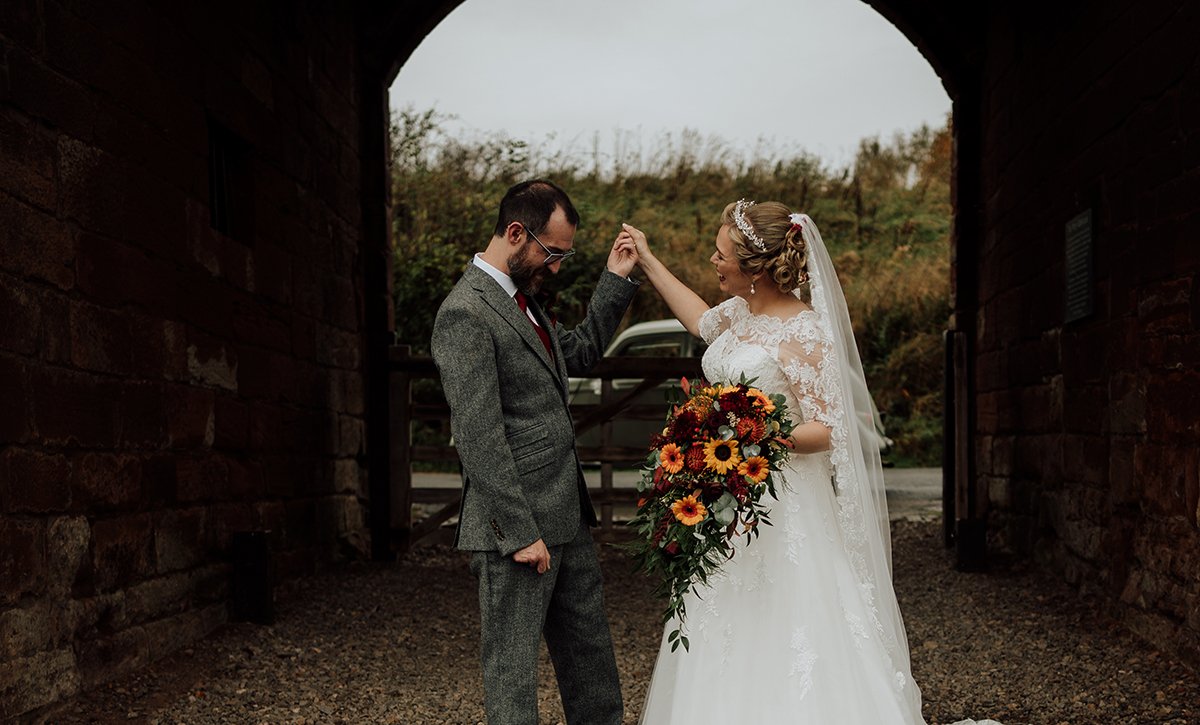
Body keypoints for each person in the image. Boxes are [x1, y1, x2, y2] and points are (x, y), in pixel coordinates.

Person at [620, 202, 1000, 724]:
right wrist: (647, 259)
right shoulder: (740, 313)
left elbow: (829, 428)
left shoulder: (804, 331)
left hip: (785, 503)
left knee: (795, 621)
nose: (713, 260)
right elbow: (700, 319)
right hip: (733, 501)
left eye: (722, 253)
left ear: (755, 268)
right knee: (724, 619)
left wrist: (754, 435)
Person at [431, 179, 639, 725]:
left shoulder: (524, 304)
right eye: (553, 253)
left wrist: (614, 279)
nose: (557, 266)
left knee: (591, 662)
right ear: (516, 233)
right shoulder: (465, 313)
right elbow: (479, 436)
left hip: (566, 514)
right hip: (516, 527)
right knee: (512, 673)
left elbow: (580, 351)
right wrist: (520, 533)